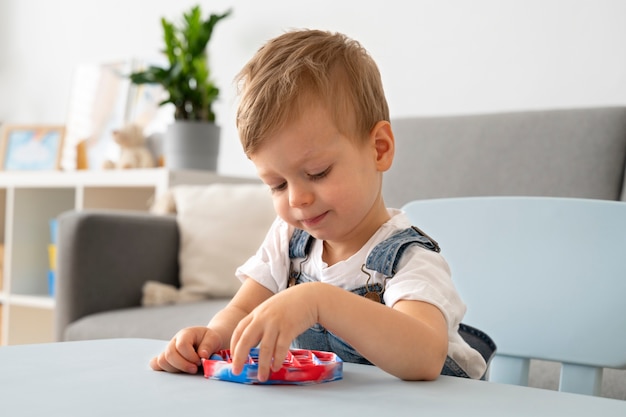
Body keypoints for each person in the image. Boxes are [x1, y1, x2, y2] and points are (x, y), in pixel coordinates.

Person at [150, 29, 488, 381]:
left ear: (379, 149)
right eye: (277, 185)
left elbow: (424, 356)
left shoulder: (408, 260)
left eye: (318, 172)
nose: (297, 199)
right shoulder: (290, 241)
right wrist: (211, 338)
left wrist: (318, 302)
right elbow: (242, 309)